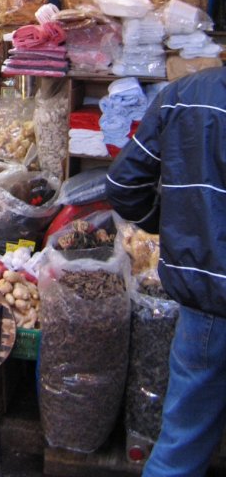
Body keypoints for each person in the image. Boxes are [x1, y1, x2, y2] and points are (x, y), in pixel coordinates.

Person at [106, 65, 226, 477]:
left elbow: (123, 185)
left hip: (206, 302)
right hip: (207, 300)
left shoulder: (185, 93)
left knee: (179, 450)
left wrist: (163, 224)